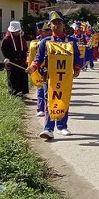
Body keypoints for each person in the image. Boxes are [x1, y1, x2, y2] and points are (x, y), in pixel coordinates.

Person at [26, 11, 81, 140]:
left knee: (64, 99)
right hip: (49, 77)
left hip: (65, 77)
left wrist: (77, 68)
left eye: (59, 23)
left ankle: (62, 126)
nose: (56, 25)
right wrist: (33, 67)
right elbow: (38, 59)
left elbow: (77, 57)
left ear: (63, 25)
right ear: (50, 26)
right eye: (53, 23)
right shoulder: (45, 42)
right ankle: (48, 128)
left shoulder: (71, 41)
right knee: (49, 101)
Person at [0, 20, 29, 97]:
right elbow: (4, 49)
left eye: (18, 31)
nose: (16, 33)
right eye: (15, 31)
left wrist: (26, 58)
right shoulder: (7, 39)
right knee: (13, 78)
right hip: (12, 62)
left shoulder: (21, 37)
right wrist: (9, 58)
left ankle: (22, 92)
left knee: (22, 76)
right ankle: (14, 94)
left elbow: (25, 48)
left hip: (22, 61)